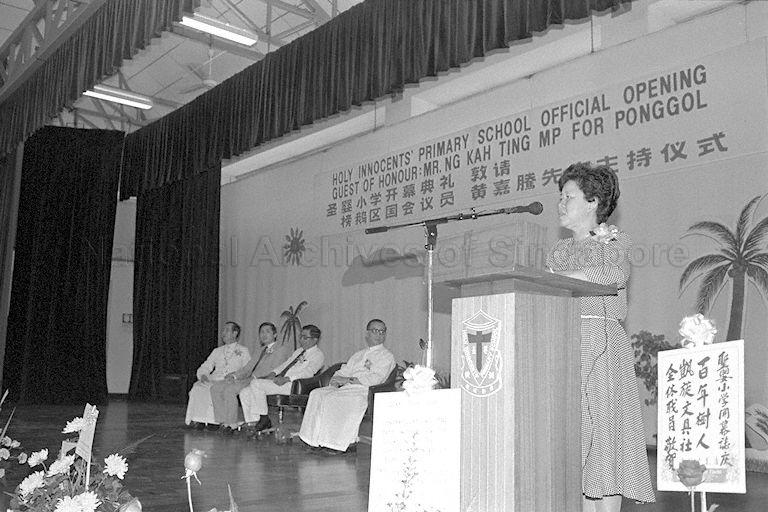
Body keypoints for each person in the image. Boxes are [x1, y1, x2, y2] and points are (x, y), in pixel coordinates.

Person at [546, 162, 655, 511]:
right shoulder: (558, 252)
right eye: (560, 196)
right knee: (575, 439)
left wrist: (561, 278)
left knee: (604, 439)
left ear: (593, 202)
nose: (561, 203)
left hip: (601, 345)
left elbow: (611, 274)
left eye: (569, 196)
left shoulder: (615, 240)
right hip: (563, 346)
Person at [299, 319, 395, 453]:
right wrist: (336, 378)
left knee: (334, 399)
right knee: (317, 394)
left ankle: (339, 443)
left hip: (364, 389)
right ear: (367, 334)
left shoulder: (387, 356)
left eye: (382, 331)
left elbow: (377, 378)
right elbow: (345, 370)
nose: (379, 334)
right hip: (347, 386)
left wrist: (349, 380)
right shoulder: (359, 354)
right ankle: (312, 439)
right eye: (375, 331)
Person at [239, 324, 325, 433]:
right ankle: (254, 422)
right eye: (300, 336)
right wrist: (273, 373)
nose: (301, 340)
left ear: (315, 339)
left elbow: (308, 373)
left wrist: (288, 378)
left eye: (305, 337)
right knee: (245, 392)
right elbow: (285, 364)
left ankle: (264, 418)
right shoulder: (298, 352)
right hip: (281, 381)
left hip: (293, 385)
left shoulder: (318, 355)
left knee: (256, 383)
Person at [209, 322, 292, 433]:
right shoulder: (260, 350)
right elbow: (248, 367)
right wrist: (234, 375)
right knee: (215, 387)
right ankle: (222, 421)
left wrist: (253, 377)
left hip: (263, 380)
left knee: (230, 390)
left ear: (275, 334)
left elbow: (275, 369)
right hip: (249, 378)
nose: (264, 335)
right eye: (261, 332)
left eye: (267, 331)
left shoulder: (281, 349)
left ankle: (231, 424)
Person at [185, 321, 250, 429]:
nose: (223, 333)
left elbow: (247, 369)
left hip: (230, 380)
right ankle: (199, 418)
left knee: (218, 389)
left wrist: (235, 376)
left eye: (226, 330)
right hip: (214, 378)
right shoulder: (217, 351)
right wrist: (203, 375)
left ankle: (219, 421)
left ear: (235, 333)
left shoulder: (243, 350)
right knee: (197, 387)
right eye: (223, 330)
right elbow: (206, 365)